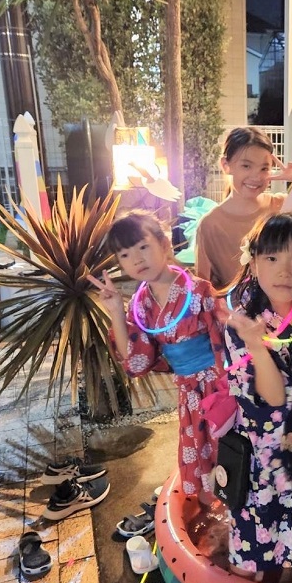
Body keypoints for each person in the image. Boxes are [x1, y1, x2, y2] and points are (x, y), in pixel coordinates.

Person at [89, 211, 227, 515]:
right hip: (188, 393)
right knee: (201, 457)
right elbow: (137, 361)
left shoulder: (199, 290)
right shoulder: (141, 305)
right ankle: (212, 518)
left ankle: (235, 516)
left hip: (219, 387)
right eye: (125, 255)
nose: (137, 259)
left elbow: (225, 341)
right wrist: (116, 310)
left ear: (164, 244)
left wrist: (230, 387)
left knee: (228, 452)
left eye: (143, 247)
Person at [221, 212, 292, 583]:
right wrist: (257, 348)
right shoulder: (243, 322)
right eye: (273, 258)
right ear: (254, 263)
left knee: (284, 543)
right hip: (259, 455)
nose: (285, 271)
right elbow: (272, 399)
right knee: (249, 546)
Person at [195, 127, 292, 289]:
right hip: (235, 305)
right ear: (226, 165)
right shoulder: (210, 225)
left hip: (288, 301)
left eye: (264, 168)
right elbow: (202, 287)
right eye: (246, 166)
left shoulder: (283, 205)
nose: (256, 177)